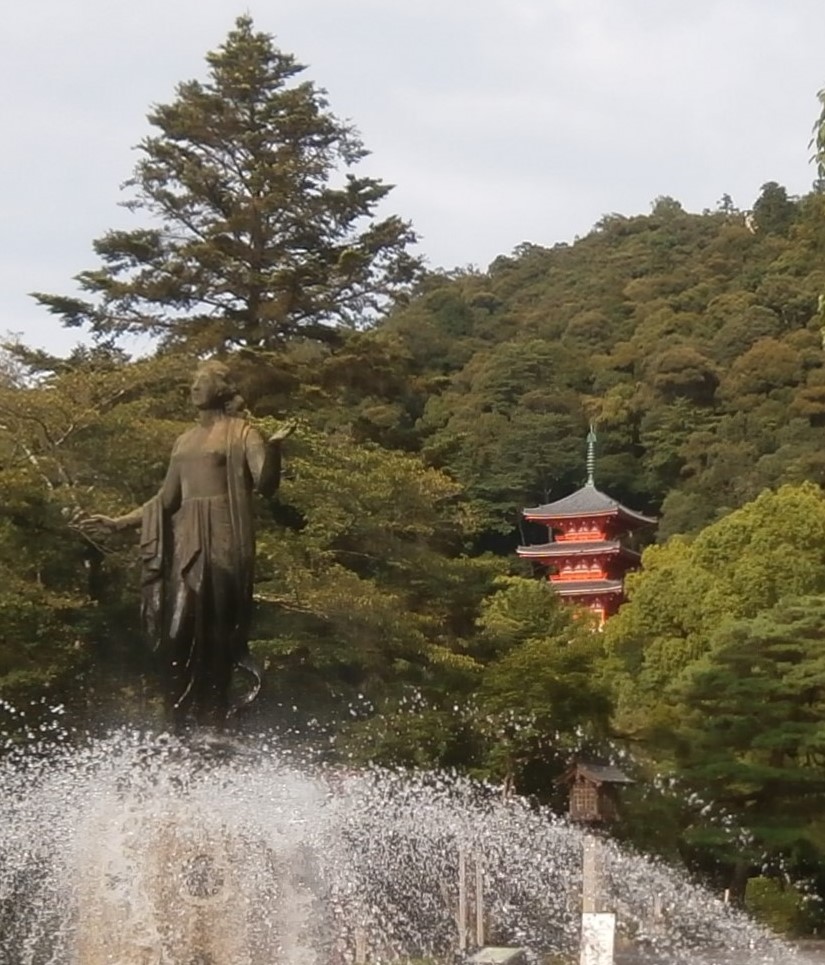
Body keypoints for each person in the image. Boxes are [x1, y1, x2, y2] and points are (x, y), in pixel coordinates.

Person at [82, 361, 295, 728]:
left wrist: (274, 449)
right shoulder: (183, 441)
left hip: (224, 538)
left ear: (223, 388)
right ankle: (178, 724)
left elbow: (265, 484)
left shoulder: (243, 433)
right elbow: (166, 500)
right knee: (176, 631)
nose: (194, 387)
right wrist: (119, 522)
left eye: (202, 381)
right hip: (187, 540)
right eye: (193, 382)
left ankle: (213, 723)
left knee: (216, 630)